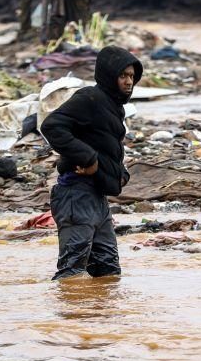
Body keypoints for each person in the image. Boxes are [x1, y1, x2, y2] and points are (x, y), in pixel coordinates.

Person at [40, 45, 142, 280]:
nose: (129, 82)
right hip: (76, 193)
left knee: (108, 272)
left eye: (132, 77)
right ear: (108, 75)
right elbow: (52, 125)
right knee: (71, 273)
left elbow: (106, 146)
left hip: (98, 198)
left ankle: (100, 317)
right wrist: (87, 158)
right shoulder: (90, 98)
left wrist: (120, 174)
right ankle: (71, 315)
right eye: (123, 75)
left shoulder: (114, 106)